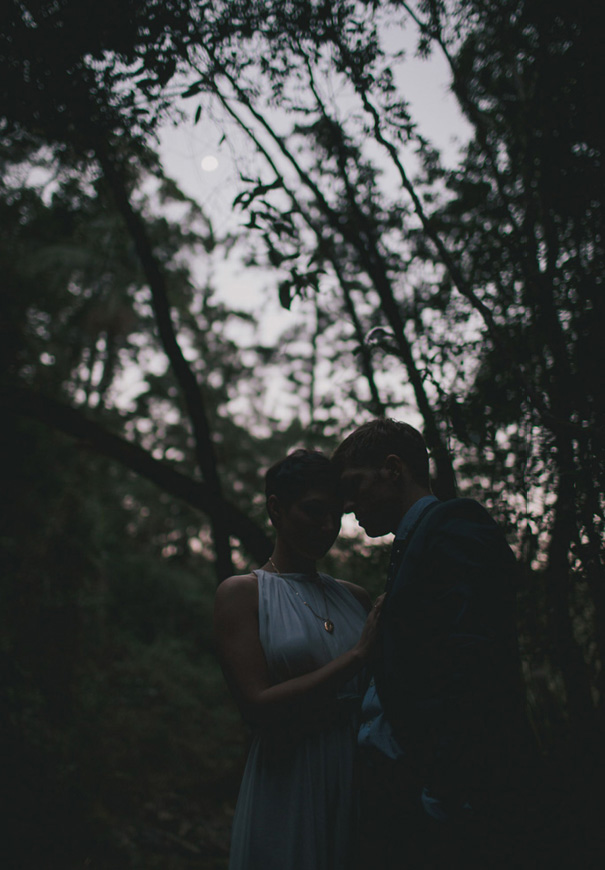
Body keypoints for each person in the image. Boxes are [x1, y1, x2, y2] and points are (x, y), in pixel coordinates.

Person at [332, 418, 531, 869]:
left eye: (354, 486)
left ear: (393, 469)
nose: (346, 505)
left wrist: (444, 791)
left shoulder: (456, 526)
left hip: (444, 798)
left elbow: (476, 663)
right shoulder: (418, 540)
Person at [213, 449, 382, 870]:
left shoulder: (355, 598)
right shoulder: (242, 594)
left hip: (359, 774)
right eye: (314, 511)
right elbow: (256, 706)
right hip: (288, 775)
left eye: (337, 516)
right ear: (276, 508)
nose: (327, 527)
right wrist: (356, 657)